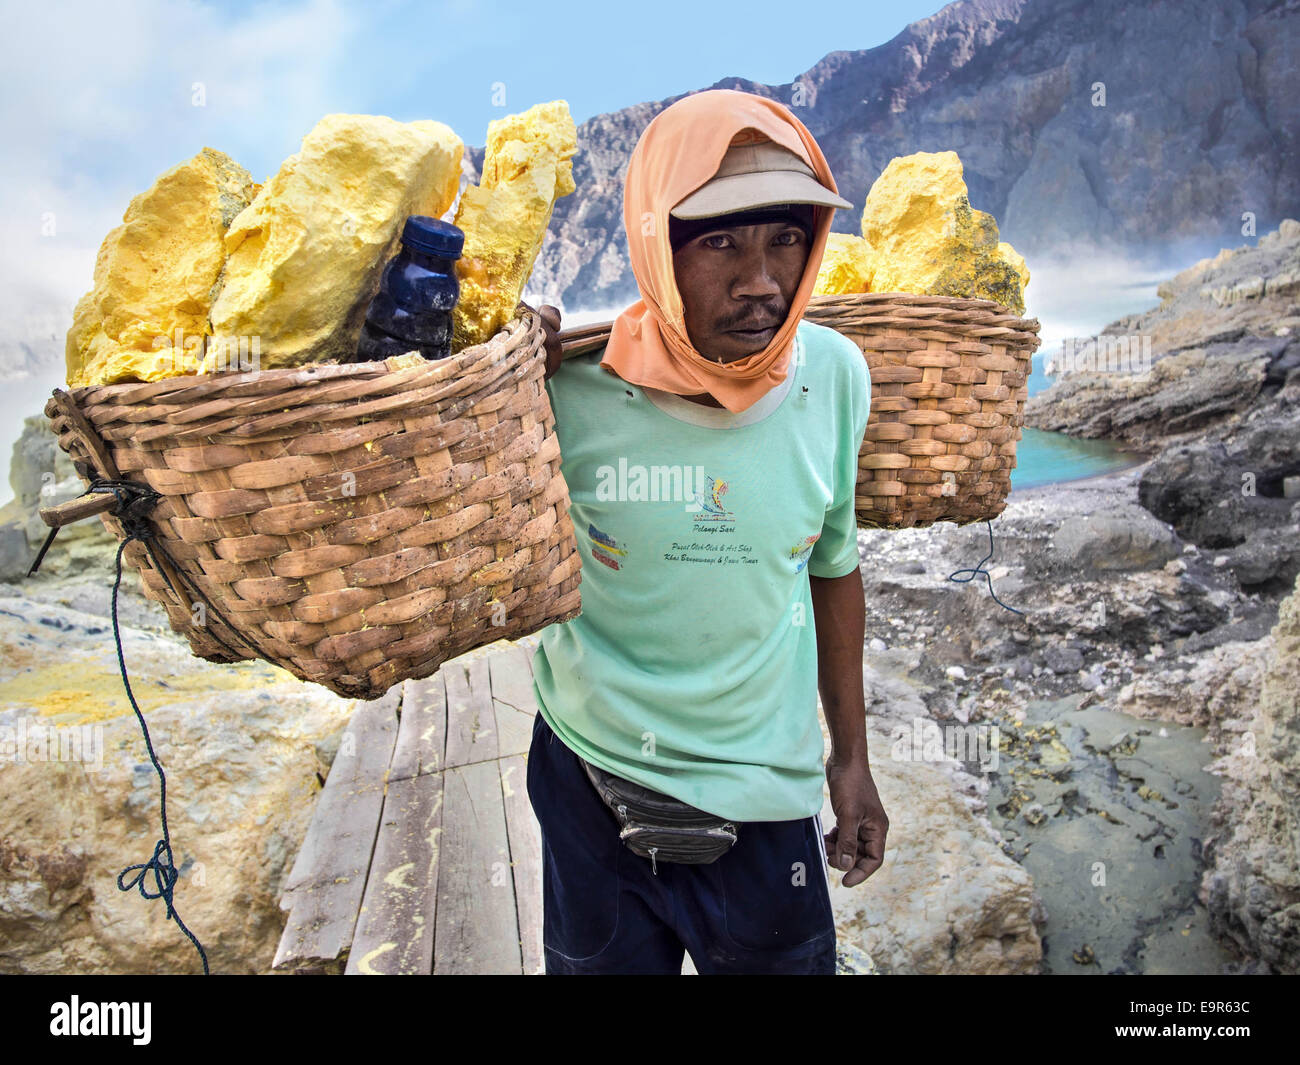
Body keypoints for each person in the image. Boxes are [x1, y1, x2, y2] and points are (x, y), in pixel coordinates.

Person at [528, 88, 888, 975]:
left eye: (786, 239)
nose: (761, 280)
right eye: (720, 241)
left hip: (763, 808)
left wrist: (852, 760)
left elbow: (834, 568)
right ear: (657, 243)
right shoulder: (567, 391)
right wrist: (489, 365)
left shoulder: (834, 377)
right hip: (589, 780)